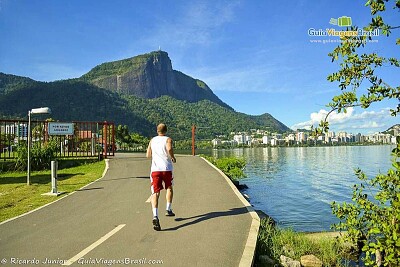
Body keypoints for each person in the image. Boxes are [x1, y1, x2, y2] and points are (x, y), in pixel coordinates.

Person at [146, 123, 177, 231]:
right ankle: (168, 209)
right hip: (167, 169)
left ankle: (155, 215)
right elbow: (169, 149)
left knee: (155, 192)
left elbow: (148, 155)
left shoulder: (152, 140)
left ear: (157, 130)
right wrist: (172, 157)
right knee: (169, 187)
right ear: (166, 130)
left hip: (155, 170)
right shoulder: (168, 139)